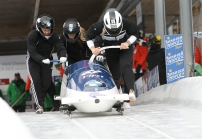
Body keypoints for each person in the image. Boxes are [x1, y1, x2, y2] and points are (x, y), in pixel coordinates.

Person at [86, 8, 139, 108]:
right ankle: (118, 95)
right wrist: (93, 49)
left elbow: (135, 34)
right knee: (115, 75)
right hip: (110, 50)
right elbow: (88, 37)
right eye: (112, 30)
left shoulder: (125, 22)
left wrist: (127, 42)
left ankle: (130, 92)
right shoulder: (98, 26)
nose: (114, 32)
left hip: (124, 48)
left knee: (125, 65)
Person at [26, 14, 67, 114]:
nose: (47, 32)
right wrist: (41, 59)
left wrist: (62, 56)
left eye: (49, 30)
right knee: (36, 80)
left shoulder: (54, 36)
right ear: (39, 28)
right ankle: (39, 105)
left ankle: (41, 97)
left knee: (46, 83)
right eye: (45, 30)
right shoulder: (32, 36)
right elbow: (32, 52)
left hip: (47, 60)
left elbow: (60, 46)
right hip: (33, 60)